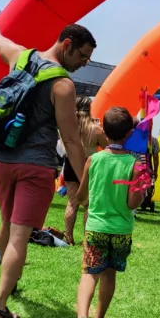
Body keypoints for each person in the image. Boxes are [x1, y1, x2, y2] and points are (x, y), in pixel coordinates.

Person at [0, 0, 96, 318]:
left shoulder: (21, 57)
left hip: (0, 159)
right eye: (82, 56)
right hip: (36, 166)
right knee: (19, 235)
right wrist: (87, 177)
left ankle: (8, 284)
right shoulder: (63, 86)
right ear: (67, 44)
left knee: (8, 221)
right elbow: (70, 139)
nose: (83, 63)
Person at [71, 107, 146, 318]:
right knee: (109, 274)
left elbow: (82, 195)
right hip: (121, 229)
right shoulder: (135, 165)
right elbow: (132, 203)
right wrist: (142, 192)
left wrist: (89, 204)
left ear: (103, 130)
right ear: (130, 133)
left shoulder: (93, 160)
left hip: (96, 227)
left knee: (89, 273)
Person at [64, 97, 108, 245]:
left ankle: (68, 237)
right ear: (89, 108)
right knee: (89, 205)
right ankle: (86, 239)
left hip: (70, 164)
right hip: (89, 167)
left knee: (72, 203)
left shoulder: (69, 126)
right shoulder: (95, 129)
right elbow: (107, 146)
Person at [138, 135, 160, 213]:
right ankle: (145, 200)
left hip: (138, 166)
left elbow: (155, 157)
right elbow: (155, 157)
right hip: (147, 167)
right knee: (148, 186)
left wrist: (155, 171)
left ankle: (143, 201)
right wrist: (155, 171)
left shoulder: (134, 138)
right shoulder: (153, 140)